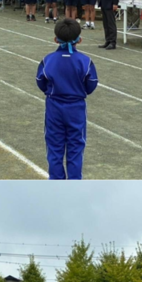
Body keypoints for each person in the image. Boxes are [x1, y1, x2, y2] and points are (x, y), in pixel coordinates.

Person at [36, 18, 98, 180]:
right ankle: (74, 183)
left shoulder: (48, 59)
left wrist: (51, 91)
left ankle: (56, 182)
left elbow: (40, 81)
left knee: (54, 148)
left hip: (54, 106)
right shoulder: (85, 61)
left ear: (55, 39)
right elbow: (91, 84)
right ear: (80, 40)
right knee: (76, 147)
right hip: (76, 107)